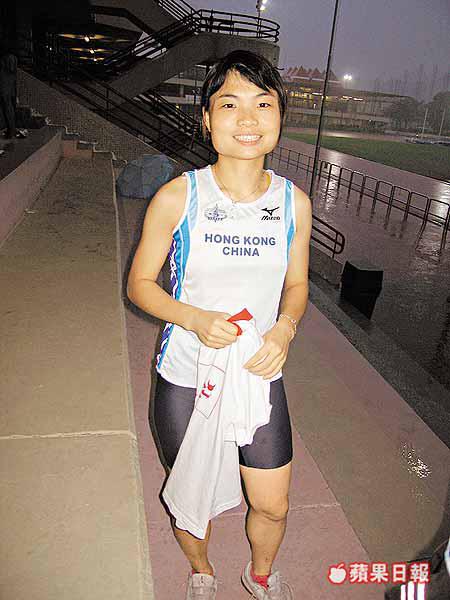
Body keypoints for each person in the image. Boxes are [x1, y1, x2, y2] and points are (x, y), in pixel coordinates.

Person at [127, 49, 313, 600]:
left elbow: (297, 286)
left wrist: (284, 328)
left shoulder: (293, 203)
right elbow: (140, 285)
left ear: (279, 117)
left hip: (257, 373)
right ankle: (201, 571)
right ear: (207, 118)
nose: (248, 118)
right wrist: (194, 318)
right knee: (193, 498)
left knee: (273, 502)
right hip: (188, 375)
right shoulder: (178, 196)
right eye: (230, 104)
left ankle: (260, 575)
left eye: (264, 103)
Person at [0, 42, 18, 140]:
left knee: (7, 109)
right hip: (10, 87)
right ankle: (12, 130)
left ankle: (11, 130)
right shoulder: (14, 58)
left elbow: (6, 71)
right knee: (10, 109)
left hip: (5, 87)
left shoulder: (6, 58)